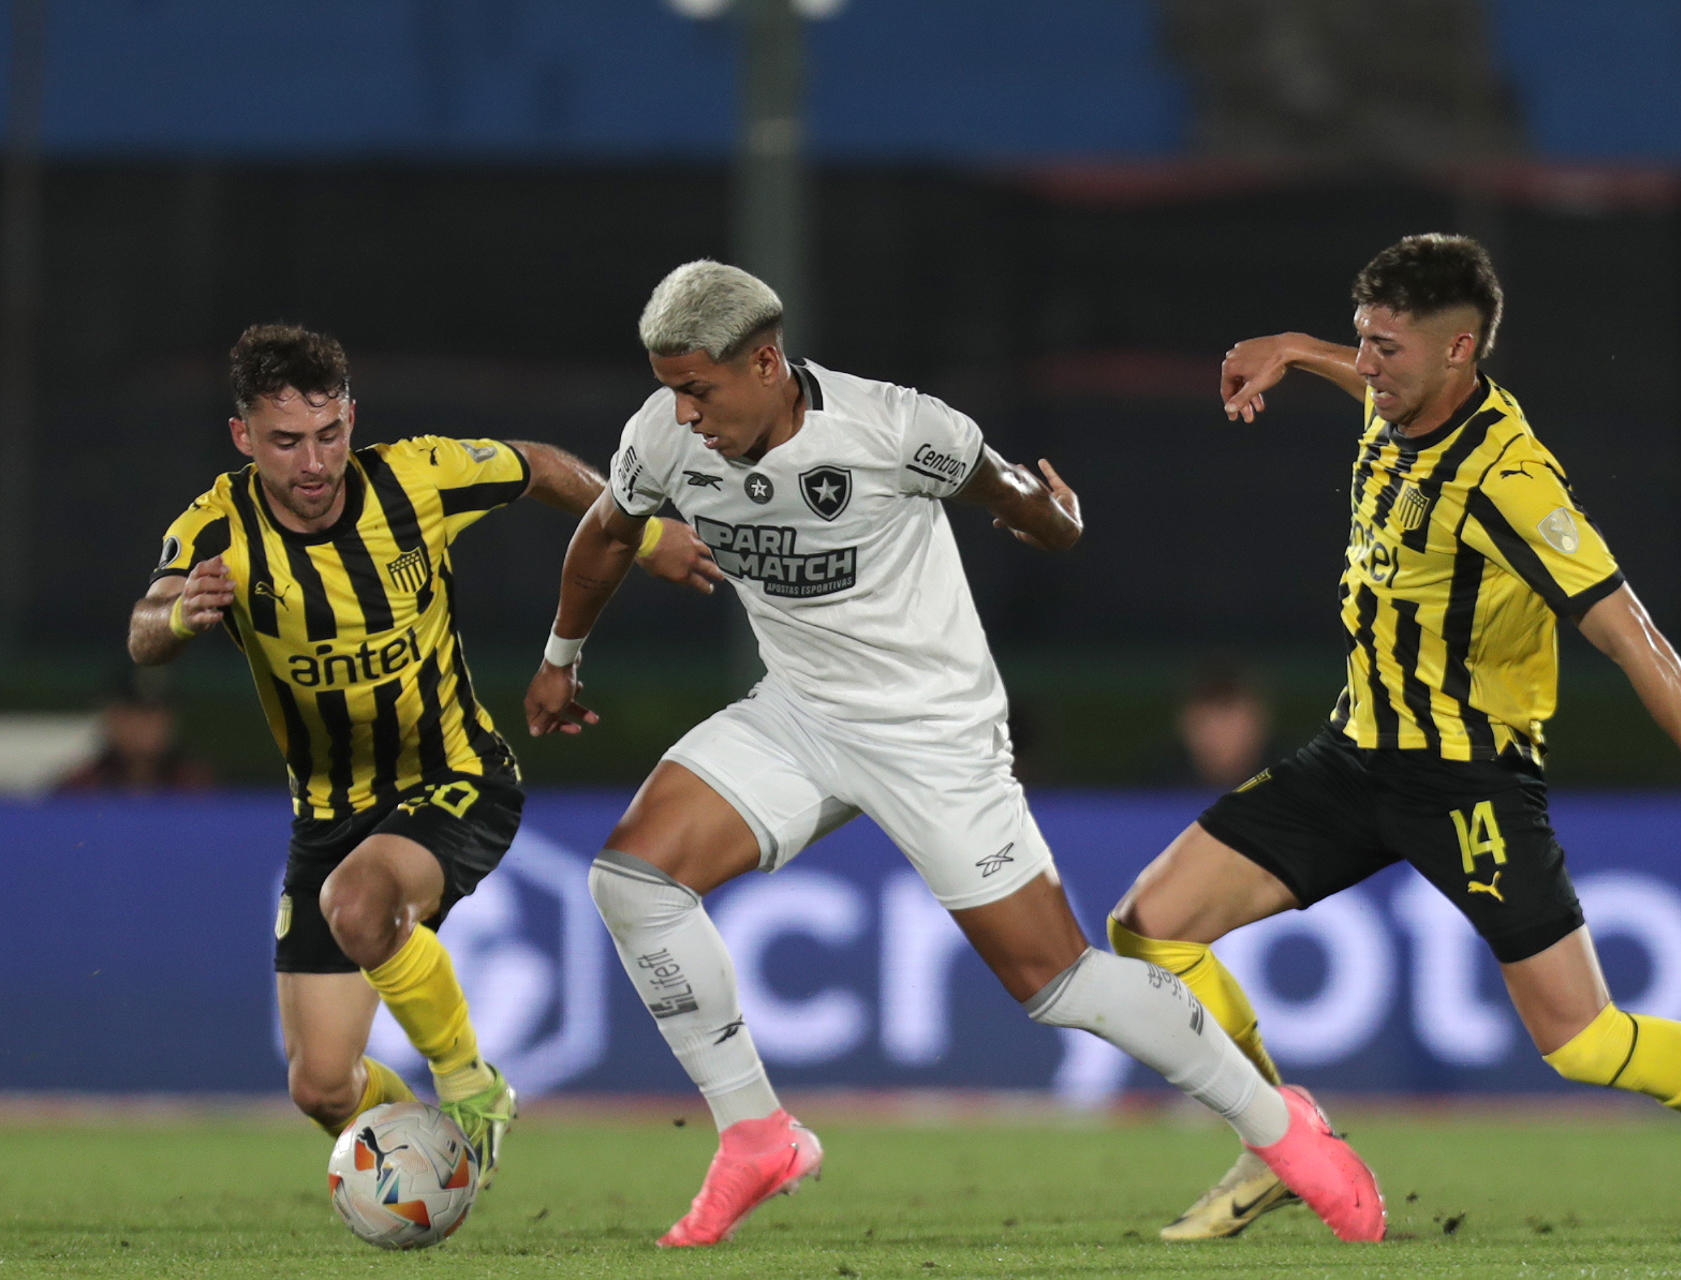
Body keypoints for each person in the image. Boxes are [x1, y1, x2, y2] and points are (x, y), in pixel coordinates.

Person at [523, 260, 1389, 1248]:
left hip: (934, 731)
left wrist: (1056, 518)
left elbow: (1021, 500)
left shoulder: (895, 425)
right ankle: (757, 1133)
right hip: (800, 715)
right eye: (671, 387)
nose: (681, 412)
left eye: (699, 389)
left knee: (1057, 982)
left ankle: (1287, 1130)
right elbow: (605, 532)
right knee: (634, 880)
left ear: (765, 362)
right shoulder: (660, 437)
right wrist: (560, 657)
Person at [1107, 233, 1681, 1241]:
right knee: (1149, 926)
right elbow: (1358, 375)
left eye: (1390, 349)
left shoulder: (1511, 482)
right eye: (1361, 341)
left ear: (1460, 351)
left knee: (1584, 1040)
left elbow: (1631, 634)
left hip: (1470, 783)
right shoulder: (1394, 404)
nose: (1368, 366)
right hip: (1355, 755)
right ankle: (1278, 1136)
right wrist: (1296, 344)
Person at [127, 322, 717, 1185]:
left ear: (352, 420)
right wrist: (178, 619)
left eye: (330, 435)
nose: (315, 463)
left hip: (458, 777)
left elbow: (541, 465)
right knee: (323, 1085)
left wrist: (645, 532)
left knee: (357, 905)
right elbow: (146, 629)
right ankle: (432, 1172)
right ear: (243, 438)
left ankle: (471, 1085)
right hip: (329, 815)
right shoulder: (217, 529)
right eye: (286, 442)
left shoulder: (415, 477)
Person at [56, 669, 215, 792]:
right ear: (111, 717)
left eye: (154, 712)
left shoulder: (198, 789)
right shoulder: (83, 789)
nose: (144, 725)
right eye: (132, 712)